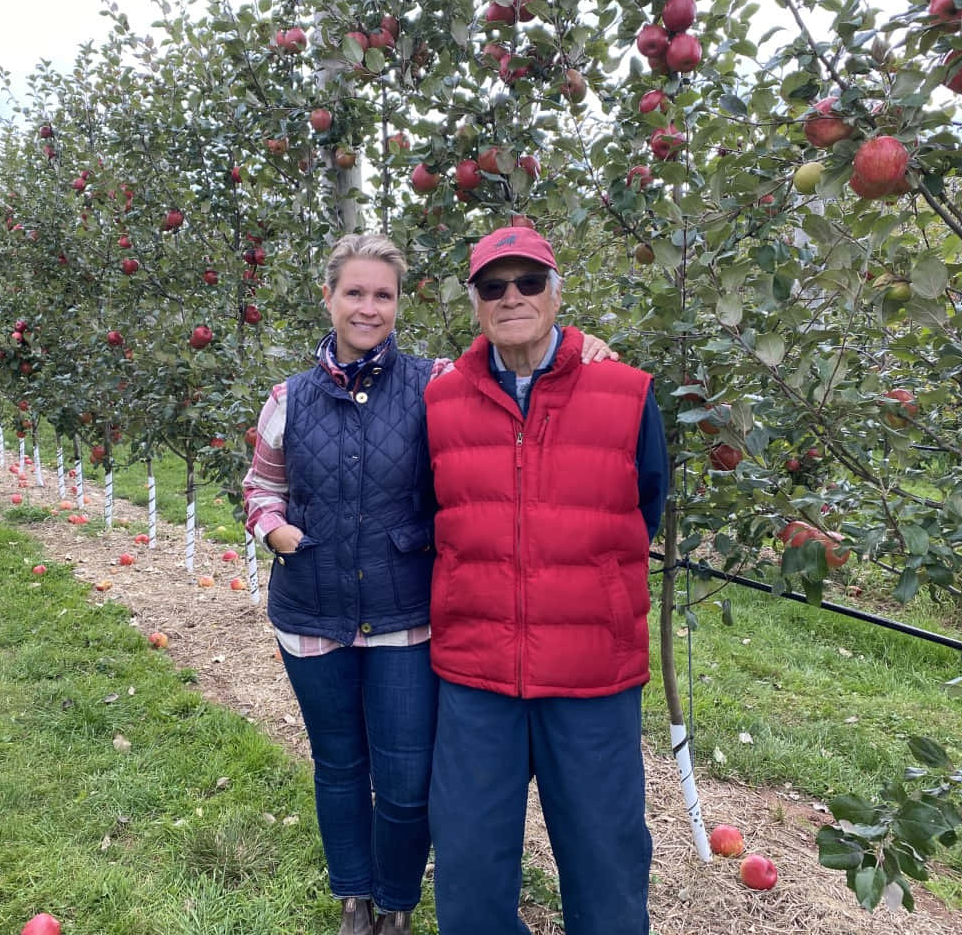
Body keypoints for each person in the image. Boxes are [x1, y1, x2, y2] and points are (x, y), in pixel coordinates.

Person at [243, 233, 615, 935]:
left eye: (382, 294)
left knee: (409, 781)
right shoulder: (287, 398)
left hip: (406, 612)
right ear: (328, 297)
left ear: (398, 304)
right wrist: (277, 531)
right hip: (311, 608)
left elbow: (518, 361)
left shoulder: (440, 381)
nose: (367, 307)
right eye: (354, 292)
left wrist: (581, 346)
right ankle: (355, 896)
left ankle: (399, 898)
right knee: (340, 766)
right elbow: (262, 485)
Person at [423, 225, 669, 935]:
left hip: (592, 678)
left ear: (557, 293)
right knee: (469, 873)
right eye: (493, 286)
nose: (512, 298)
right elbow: (434, 512)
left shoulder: (624, 393)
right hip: (477, 677)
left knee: (607, 869)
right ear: (473, 302)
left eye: (529, 282)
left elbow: (643, 507)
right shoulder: (441, 402)